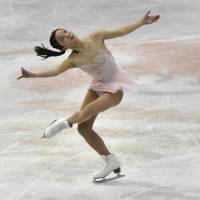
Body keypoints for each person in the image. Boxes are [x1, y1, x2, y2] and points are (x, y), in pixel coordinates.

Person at [17, 11, 160, 181]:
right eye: (63, 38)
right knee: (83, 128)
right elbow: (55, 72)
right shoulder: (72, 60)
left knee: (87, 111)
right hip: (97, 86)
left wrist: (141, 22)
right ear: (63, 47)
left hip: (114, 88)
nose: (67, 34)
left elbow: (122, 31)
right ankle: (110, 161)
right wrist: (32, 75)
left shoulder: (96, 36)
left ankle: (62, 124)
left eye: (64, 31)